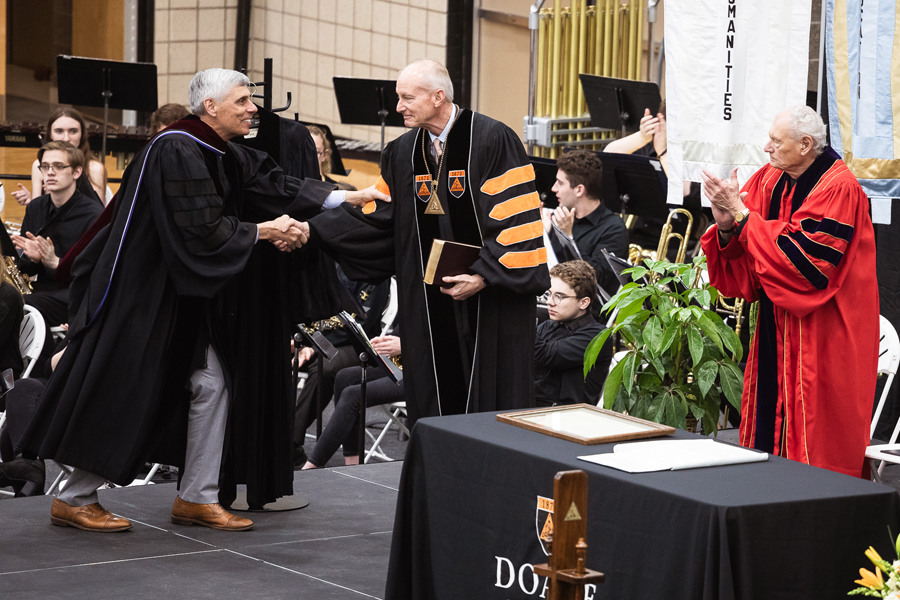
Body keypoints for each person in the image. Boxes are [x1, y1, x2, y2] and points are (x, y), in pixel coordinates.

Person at [20, 68, 384, 533]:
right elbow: (200, 229)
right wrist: (264, 231)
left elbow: (271, 185)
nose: (253, 108)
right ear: (210, 106)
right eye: (242, 101)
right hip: (146, 298)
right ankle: (72, 498)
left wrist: (345, 197)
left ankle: (196, 496)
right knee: (125, 390)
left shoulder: (216, 150)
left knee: (211, 387)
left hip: (185, 299)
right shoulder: (176, 148)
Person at [307, 59, 551, 427]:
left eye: (407, 98)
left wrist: (483, 276)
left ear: (438, 97)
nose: (399, 107)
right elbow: (379, 219)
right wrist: (312, 230)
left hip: (490, 305)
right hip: (427, 305)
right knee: (436, 399)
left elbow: (518, 221)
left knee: (487, 399)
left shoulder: (492, 140)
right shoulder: (402, 152)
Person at [700, 105, 878, 478]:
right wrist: (727, 224)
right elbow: (748, 243)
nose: (766, 148)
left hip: (825, 330)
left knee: (818, 440)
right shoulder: (771, 178)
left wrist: (745, 218)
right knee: (768, 436)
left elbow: (807, 266)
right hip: (776, 327)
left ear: (805, 145)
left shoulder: (839, 189)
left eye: (776, 142)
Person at [13, 141, 104, 376]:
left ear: (76, 172)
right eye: (45, 167)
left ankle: (44, 376)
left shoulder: (93, 215)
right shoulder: (35, 208)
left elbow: (96, 272)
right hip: (42, 290)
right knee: (12, 299)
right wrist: (32, 259)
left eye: (58, 166)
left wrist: (56, 262)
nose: (50, 172)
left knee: (23, 305)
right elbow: (23, 266)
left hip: (75, 295)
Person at [302, 335, 404, 469]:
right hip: (401, 365)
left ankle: (311, 466)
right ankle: (352, 463)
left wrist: (405, 345)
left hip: (423, 375)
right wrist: (385, 341)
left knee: (353, 394)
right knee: (344, 377)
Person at [542, 150, 629, 296]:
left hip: (586, 312)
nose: (553, 188)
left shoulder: (614, 229)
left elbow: (594, 281)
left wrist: (568, 238)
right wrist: (540, 234)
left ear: (579, 190)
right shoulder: (558, 218)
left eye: (560, 183)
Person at [534, 261, 610, 406]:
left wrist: (523, 313)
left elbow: (543, 355)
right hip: (534, 410)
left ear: (584, 303)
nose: (550, 302)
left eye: (559, 296)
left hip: (567, 419)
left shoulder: (597, 336)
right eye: (549, 294)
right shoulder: (548, 326)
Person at [12, 107, 108, 206]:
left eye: (73, 131)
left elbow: (99, 216)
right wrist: (33, 201)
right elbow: (38, 214)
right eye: (59, 131)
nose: (66, 138)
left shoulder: (95, 169)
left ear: (82, 134)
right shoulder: (38, 165)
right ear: (50, 134)